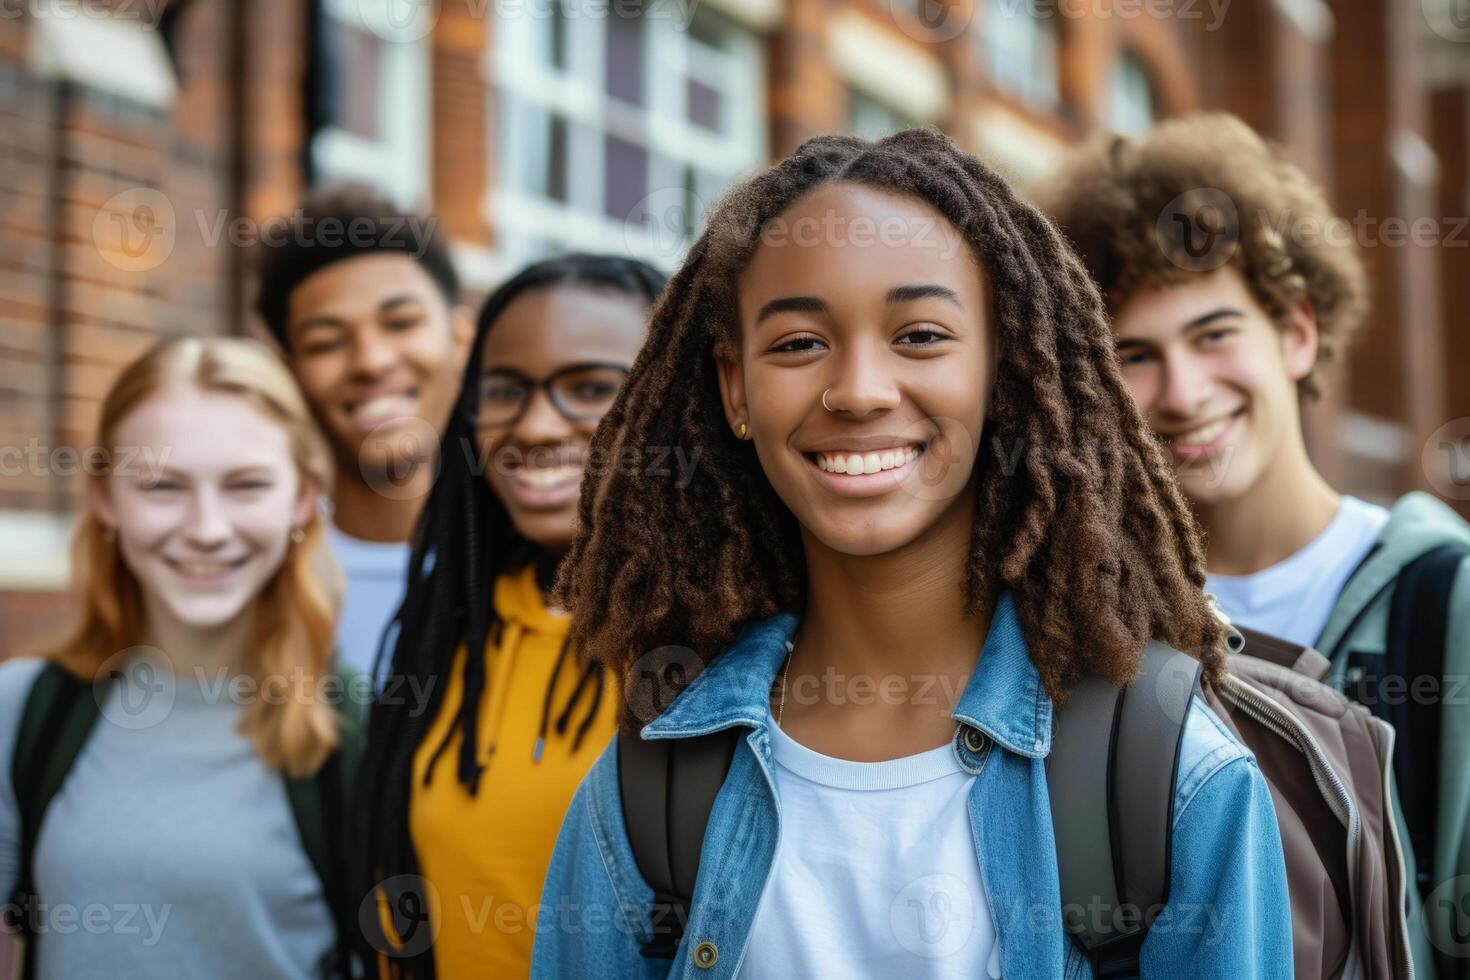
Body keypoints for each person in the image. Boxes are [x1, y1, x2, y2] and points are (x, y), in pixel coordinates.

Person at [534, 129, 1291, 977]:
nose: (858, 390)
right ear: (734, 386)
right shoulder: (650, 786)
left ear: (1004, 369)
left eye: (921, 335)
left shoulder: (1169, 776)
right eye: (797, 343)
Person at [1040, 113, 1470, 973]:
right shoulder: (1084, 626)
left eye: (1213, 334)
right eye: (1136, 354)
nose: (1186, 391)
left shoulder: (1444, 598)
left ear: (1297, 331)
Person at [0, 337, 364, 979]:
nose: (206, 528)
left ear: (303, 500)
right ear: (105, 499)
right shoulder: (25, 712)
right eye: (163, 486)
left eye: (246, 485)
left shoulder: (360, 727)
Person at [348, 254, 665, 978]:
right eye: (505, 391)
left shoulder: (731, 651)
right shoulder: (440, 639)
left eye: (590, 388)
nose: (535, 424)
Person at [254, 185, 474, 681]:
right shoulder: (255, 583)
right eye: (326, 341)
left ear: (462, 339)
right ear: (288, 373)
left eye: (401, 323)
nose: (371, 362)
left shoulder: (548, 571)